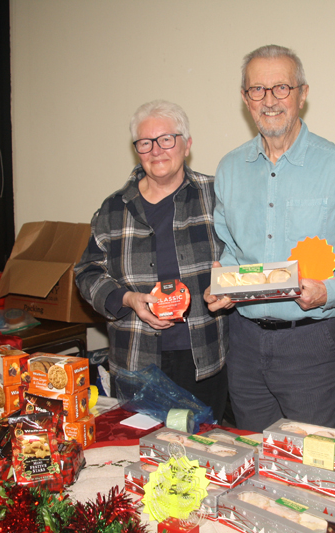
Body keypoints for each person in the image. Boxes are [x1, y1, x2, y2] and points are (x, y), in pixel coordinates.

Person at [205, 45, 335, 432]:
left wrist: (331, 291)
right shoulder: (229, 168)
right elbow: (232, 250)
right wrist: (225, 286)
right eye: (257, 89)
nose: (269, 101)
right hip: (244, 342)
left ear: (302, 94)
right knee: (253, 460)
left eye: (281, 88)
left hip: (312, 341)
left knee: (306, 469)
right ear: (245, 99)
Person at [74, 100, 228, 422]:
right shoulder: (114, 208)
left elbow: (242, 255)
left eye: (166, 139)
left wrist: (230, 285)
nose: (156, 150)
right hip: (136, 359)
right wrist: (127, 298)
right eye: (145, 143)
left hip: (203, 357)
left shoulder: (216, 195)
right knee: (139, 455)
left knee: (202, 452)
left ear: (187, 144)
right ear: (137, 150)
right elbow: (87, 272)